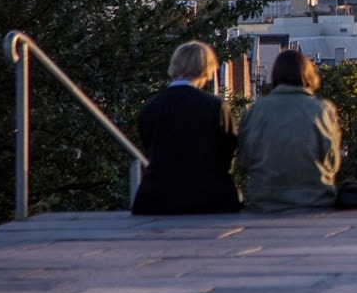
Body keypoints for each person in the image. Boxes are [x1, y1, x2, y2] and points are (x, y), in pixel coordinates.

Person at [131, 42, 242, 214]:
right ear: (206, 70)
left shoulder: (150, 109)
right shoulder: (215, 107)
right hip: (209, 199)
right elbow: (228, 151)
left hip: (157, 198)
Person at [238, 50, 341, 212]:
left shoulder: (256, 110)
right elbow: (333, 162)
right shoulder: (322, 110)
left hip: (263, 203)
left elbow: (244, 160)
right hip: (315, 202)